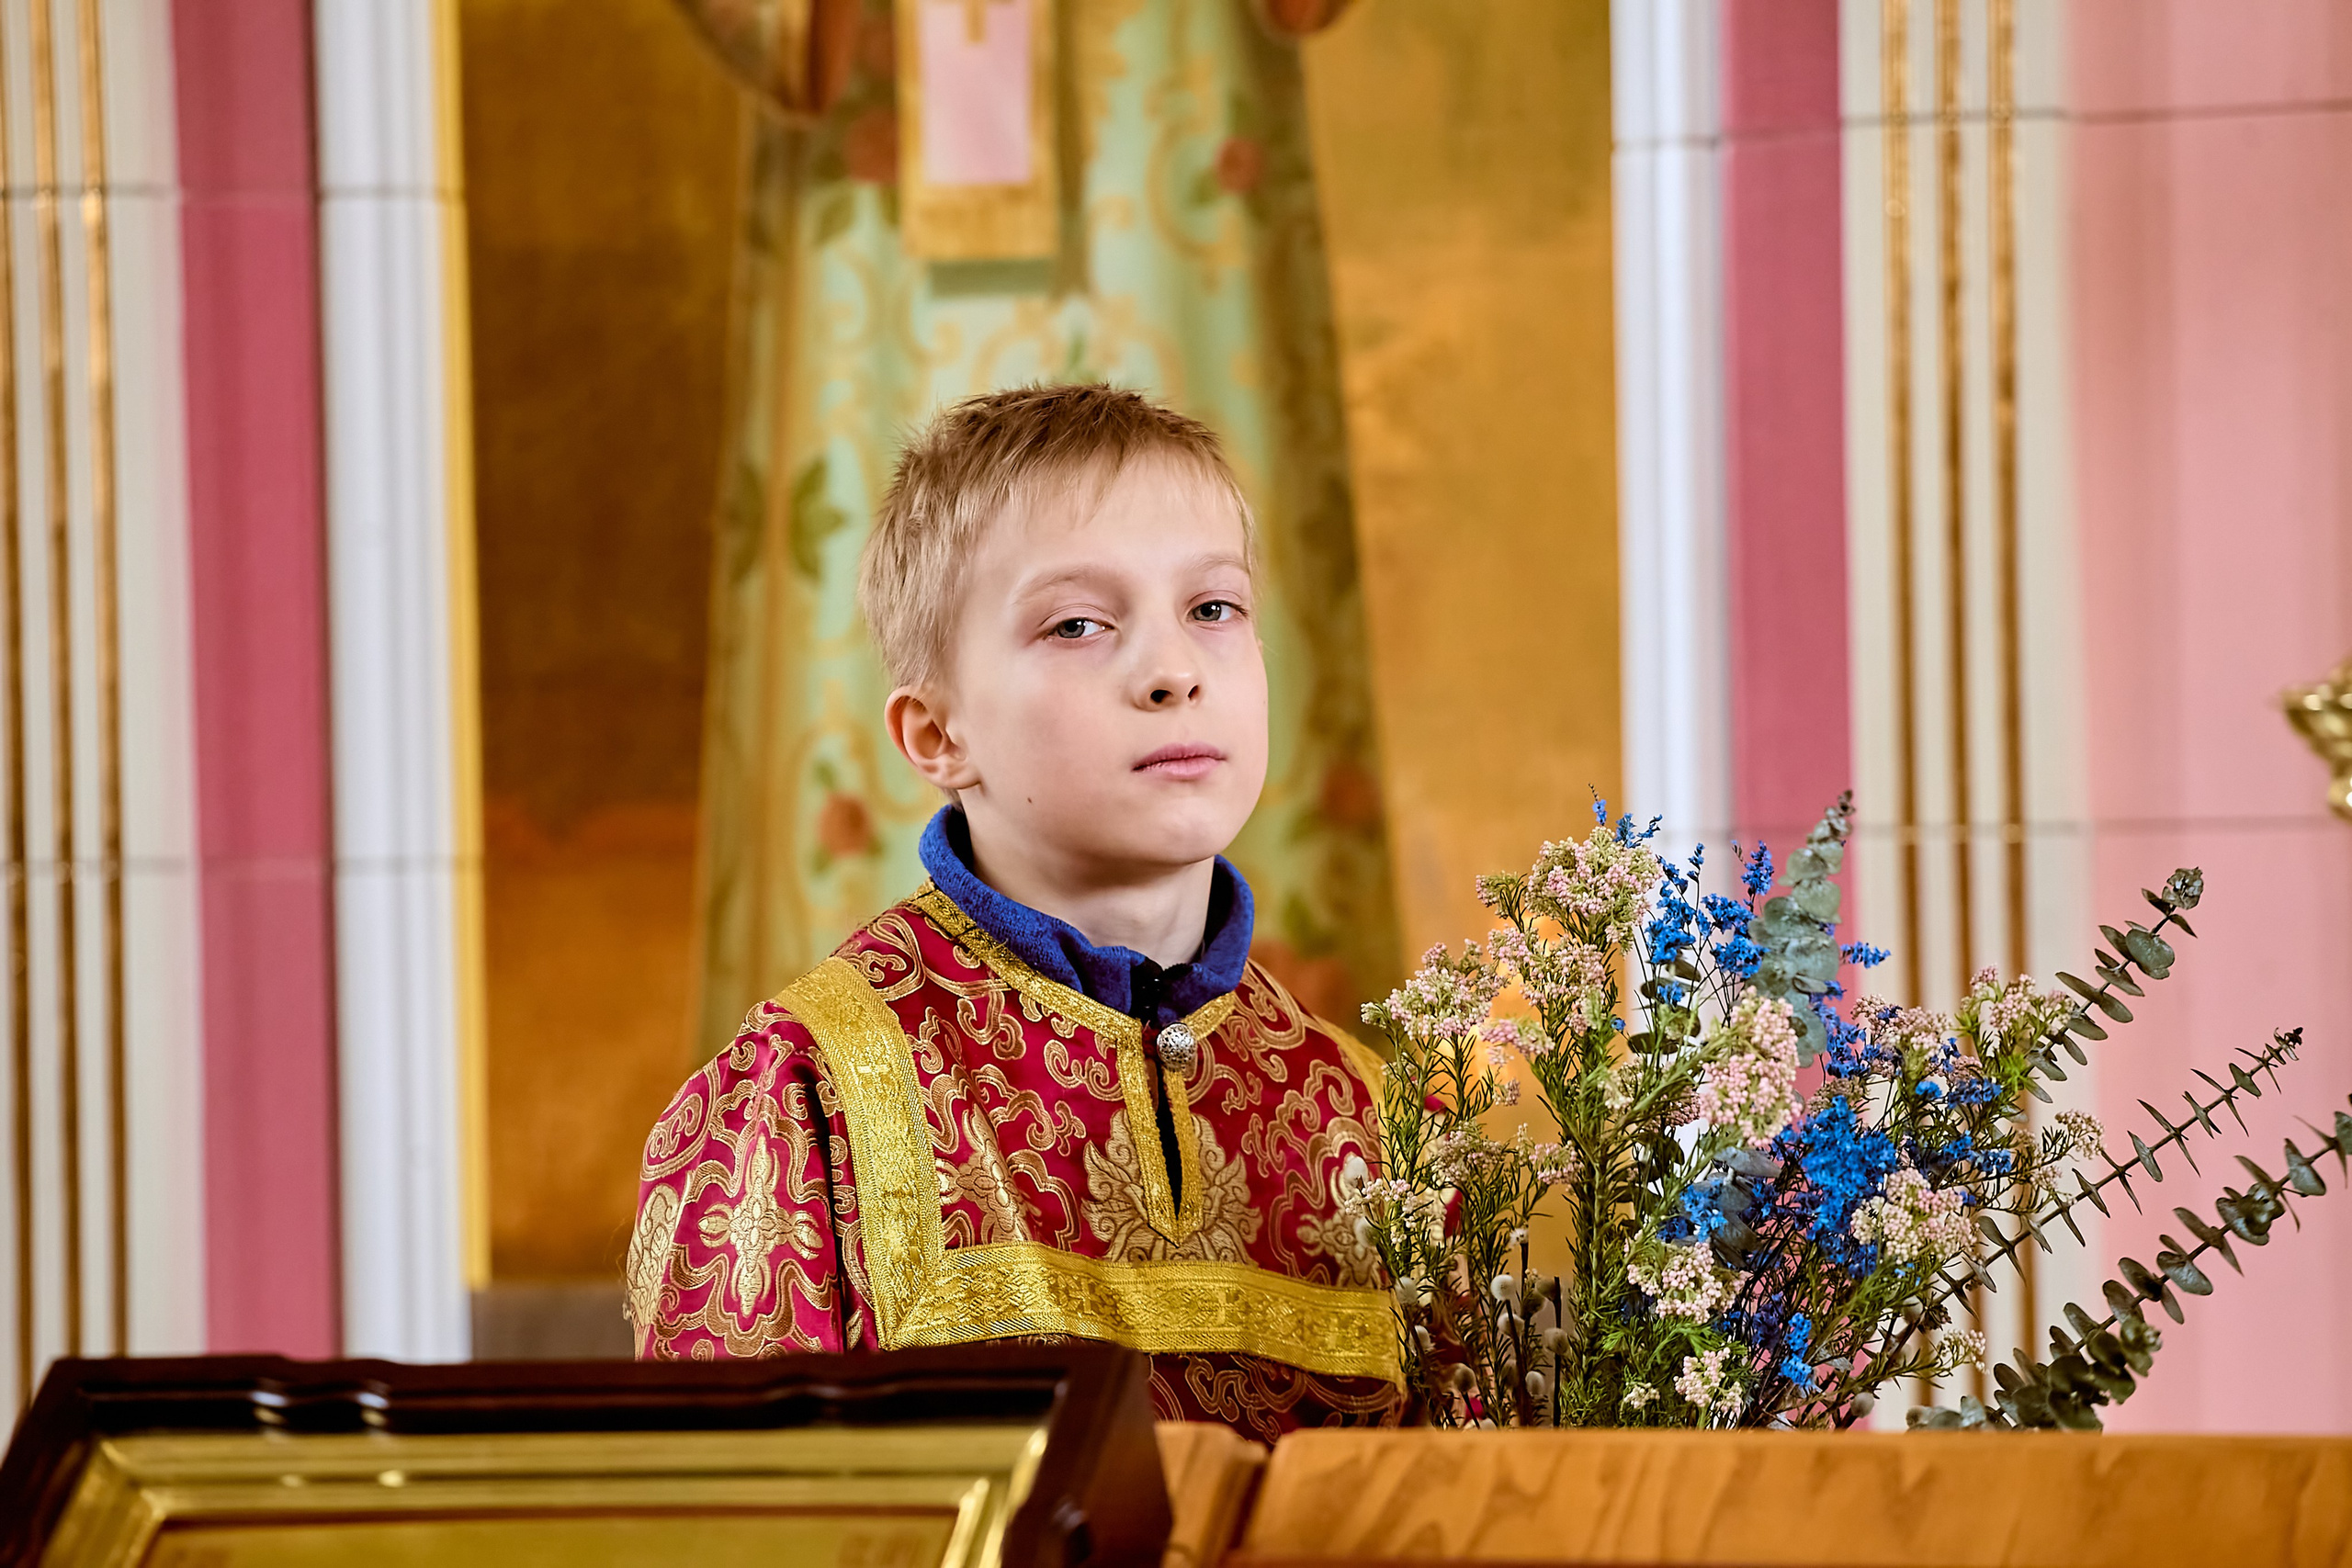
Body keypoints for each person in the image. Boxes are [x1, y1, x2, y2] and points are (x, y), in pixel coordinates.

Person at [626, 383, 1401, 1438]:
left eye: (1212, 609)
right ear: (939, 736)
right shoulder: (800, 1101)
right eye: (1077, 624)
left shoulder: (1374, 1121)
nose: (1173, 670)